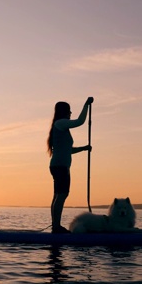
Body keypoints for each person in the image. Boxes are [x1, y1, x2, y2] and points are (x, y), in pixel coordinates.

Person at [47, 97, 93, 233]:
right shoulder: (61, 123)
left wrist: (84, 148)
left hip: (59, 165)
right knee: (61, 195)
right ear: (64, 112)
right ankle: (56, 227)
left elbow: (68, 150)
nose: (71, 114)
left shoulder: (61, 126)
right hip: (60, 166)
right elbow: (80, 121)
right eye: (70, 111)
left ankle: (55, 225)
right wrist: (86, 105)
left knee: (58, 195)